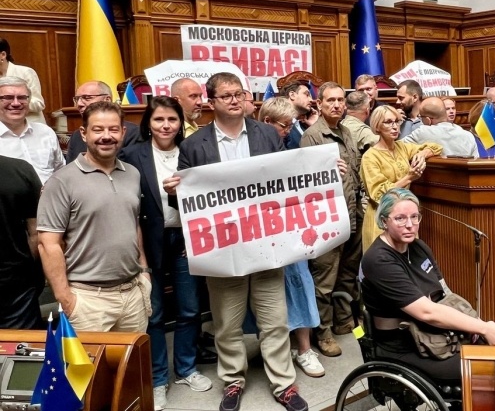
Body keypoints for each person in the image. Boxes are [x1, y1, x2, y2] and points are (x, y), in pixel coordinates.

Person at [164, 72, 307, 411]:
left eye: (238, 94)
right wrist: (175, 192)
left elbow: (287, 178)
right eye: (225, 95)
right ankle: (233, 381)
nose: (233, 100)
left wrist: (327, 170)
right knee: (227, 322)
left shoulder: (266, 135)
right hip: (222, 248)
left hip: (266, 244)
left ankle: (283, 384)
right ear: (211, 102)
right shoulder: (193, 145)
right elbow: (187, 202)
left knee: (274, 319)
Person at [360, 188, 495, 382]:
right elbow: (427, 312)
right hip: (404, 345)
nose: (409, 225)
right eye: (400, 218)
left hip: (434, 332)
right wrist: (483, 328)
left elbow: (445, 295)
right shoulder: (378, 260)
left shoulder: (418, 247)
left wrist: (474, 330)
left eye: (414, 217)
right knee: (484, 369)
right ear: (384, 221)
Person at [121, 97, 211, 410]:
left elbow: (206, 195)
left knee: (189, 308)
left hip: (186, 239)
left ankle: (186, 368)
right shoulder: (132, 154)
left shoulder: (193, 151)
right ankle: (158, 378)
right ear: (148, 122)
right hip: (148, 242)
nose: (165, 126)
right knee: (155, 313)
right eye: (159, 119)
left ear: (180, 122)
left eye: (172, 119)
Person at [37, 102, 151, 332]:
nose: (106, 136)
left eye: (113, 129)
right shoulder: (62, 181)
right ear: (84, 133)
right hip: (88, 300)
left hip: (132, 294)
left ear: (123, 132)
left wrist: (144, 272)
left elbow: (133, 224)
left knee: (132, 367)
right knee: (89, 369)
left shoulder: (132, 174)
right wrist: (66, 299)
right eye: (98, 129)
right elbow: (47, 244)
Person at [256, 96, 325, 379]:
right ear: (267, 122)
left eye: (291, 125)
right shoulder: (252, 149)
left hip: (291, 230)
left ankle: (304, 349)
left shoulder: (290, 144)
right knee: (268, 294)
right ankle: (277, 350)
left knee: (300, 284)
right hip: (262, 234)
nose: (288, 130)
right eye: (284, 126)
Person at [300, 82, 362, 359]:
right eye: (330, 101)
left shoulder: (347, 131)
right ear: (319, 104)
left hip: (352, 214)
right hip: (327, 219)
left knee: (348, 274)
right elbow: (306, 181)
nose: (337, 105)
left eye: (340, 100)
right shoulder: (312, 136)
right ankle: (322, 332)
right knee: (324, 279)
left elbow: (356, 171)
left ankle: (342, 320)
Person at [360, 105, 442, 251]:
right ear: (377, 126)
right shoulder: (370, 156)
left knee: (409, 262)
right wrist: (409, 178)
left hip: (405, 215)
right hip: (382, 219)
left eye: (397, 122)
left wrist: (422, 154)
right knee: (385, 265)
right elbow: (379, 194)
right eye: (388, 122)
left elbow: (436, 147)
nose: (395, 126)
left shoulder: (402, 147)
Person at [0, 155, 44, 329]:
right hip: (16, 284)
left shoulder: (21, 169)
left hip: (17, 288)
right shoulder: (20, 169)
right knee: (20, 352)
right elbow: (37, 232)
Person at [0, 76, 64, 183]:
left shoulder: (46, 133)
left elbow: (61, 171)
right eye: (8, 97)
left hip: (50, 197)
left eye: (22, 98)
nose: (16, 103)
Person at [66, 80, 140, 163]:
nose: (79, 104)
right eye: (77, 99)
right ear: (83, 133)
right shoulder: (76, 136)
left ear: (107, 99)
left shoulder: (133, 133)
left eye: (87, 98)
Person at [403, 96, 478, 158]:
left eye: (421, 117)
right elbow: (476, 160)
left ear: (428, 120)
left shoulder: (422, 132)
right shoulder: (468, 135)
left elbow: (396, 148)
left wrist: (398, 121)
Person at [0, 38, 46, 125]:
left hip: (30, 128)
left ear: (3, 55)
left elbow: (39, 104)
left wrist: (12, 103)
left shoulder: (25, 72)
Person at [279, 82, 314, 149]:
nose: (311, 100)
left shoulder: (303, 124)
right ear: (292, 95)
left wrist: (314, 125)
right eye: (307, 95)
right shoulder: (280, 124)